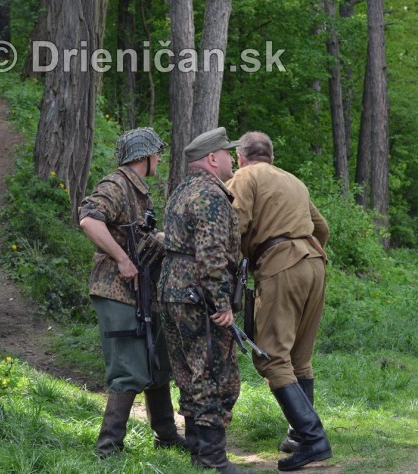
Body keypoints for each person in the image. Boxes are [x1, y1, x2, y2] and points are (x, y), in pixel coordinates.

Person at [226, 131, 332, 471]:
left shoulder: (244, 176)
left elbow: (235, 225)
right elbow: (322, 227)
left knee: (270, 358)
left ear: (241, 158)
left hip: (280, 264)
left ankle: (312, 439)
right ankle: (299, 436)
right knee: (299, 358)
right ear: (270, 155)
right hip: (314, 263)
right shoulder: (293, 180)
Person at [79, 127, 186, 457]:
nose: (159, 159)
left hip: (141, 292)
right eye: (156, 154)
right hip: (116, 290)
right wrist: (123, 259)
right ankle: (108, 448)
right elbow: (88, 219)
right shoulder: (116, 184)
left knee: (157, 363)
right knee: (128, 370)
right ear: (144, 157)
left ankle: (166, 435)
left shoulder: (139, 192)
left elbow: (139, 234)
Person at [158, 127, 252, 474]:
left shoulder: (182, 190)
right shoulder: (211, 195)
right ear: (213, 159)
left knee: (187, 372)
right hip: (199, 294)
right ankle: (214, 460)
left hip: (171, 292)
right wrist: (222, 303)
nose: (231, 158)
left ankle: (199, 453)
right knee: (214, 372)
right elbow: (211, 254)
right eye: (227, 153)